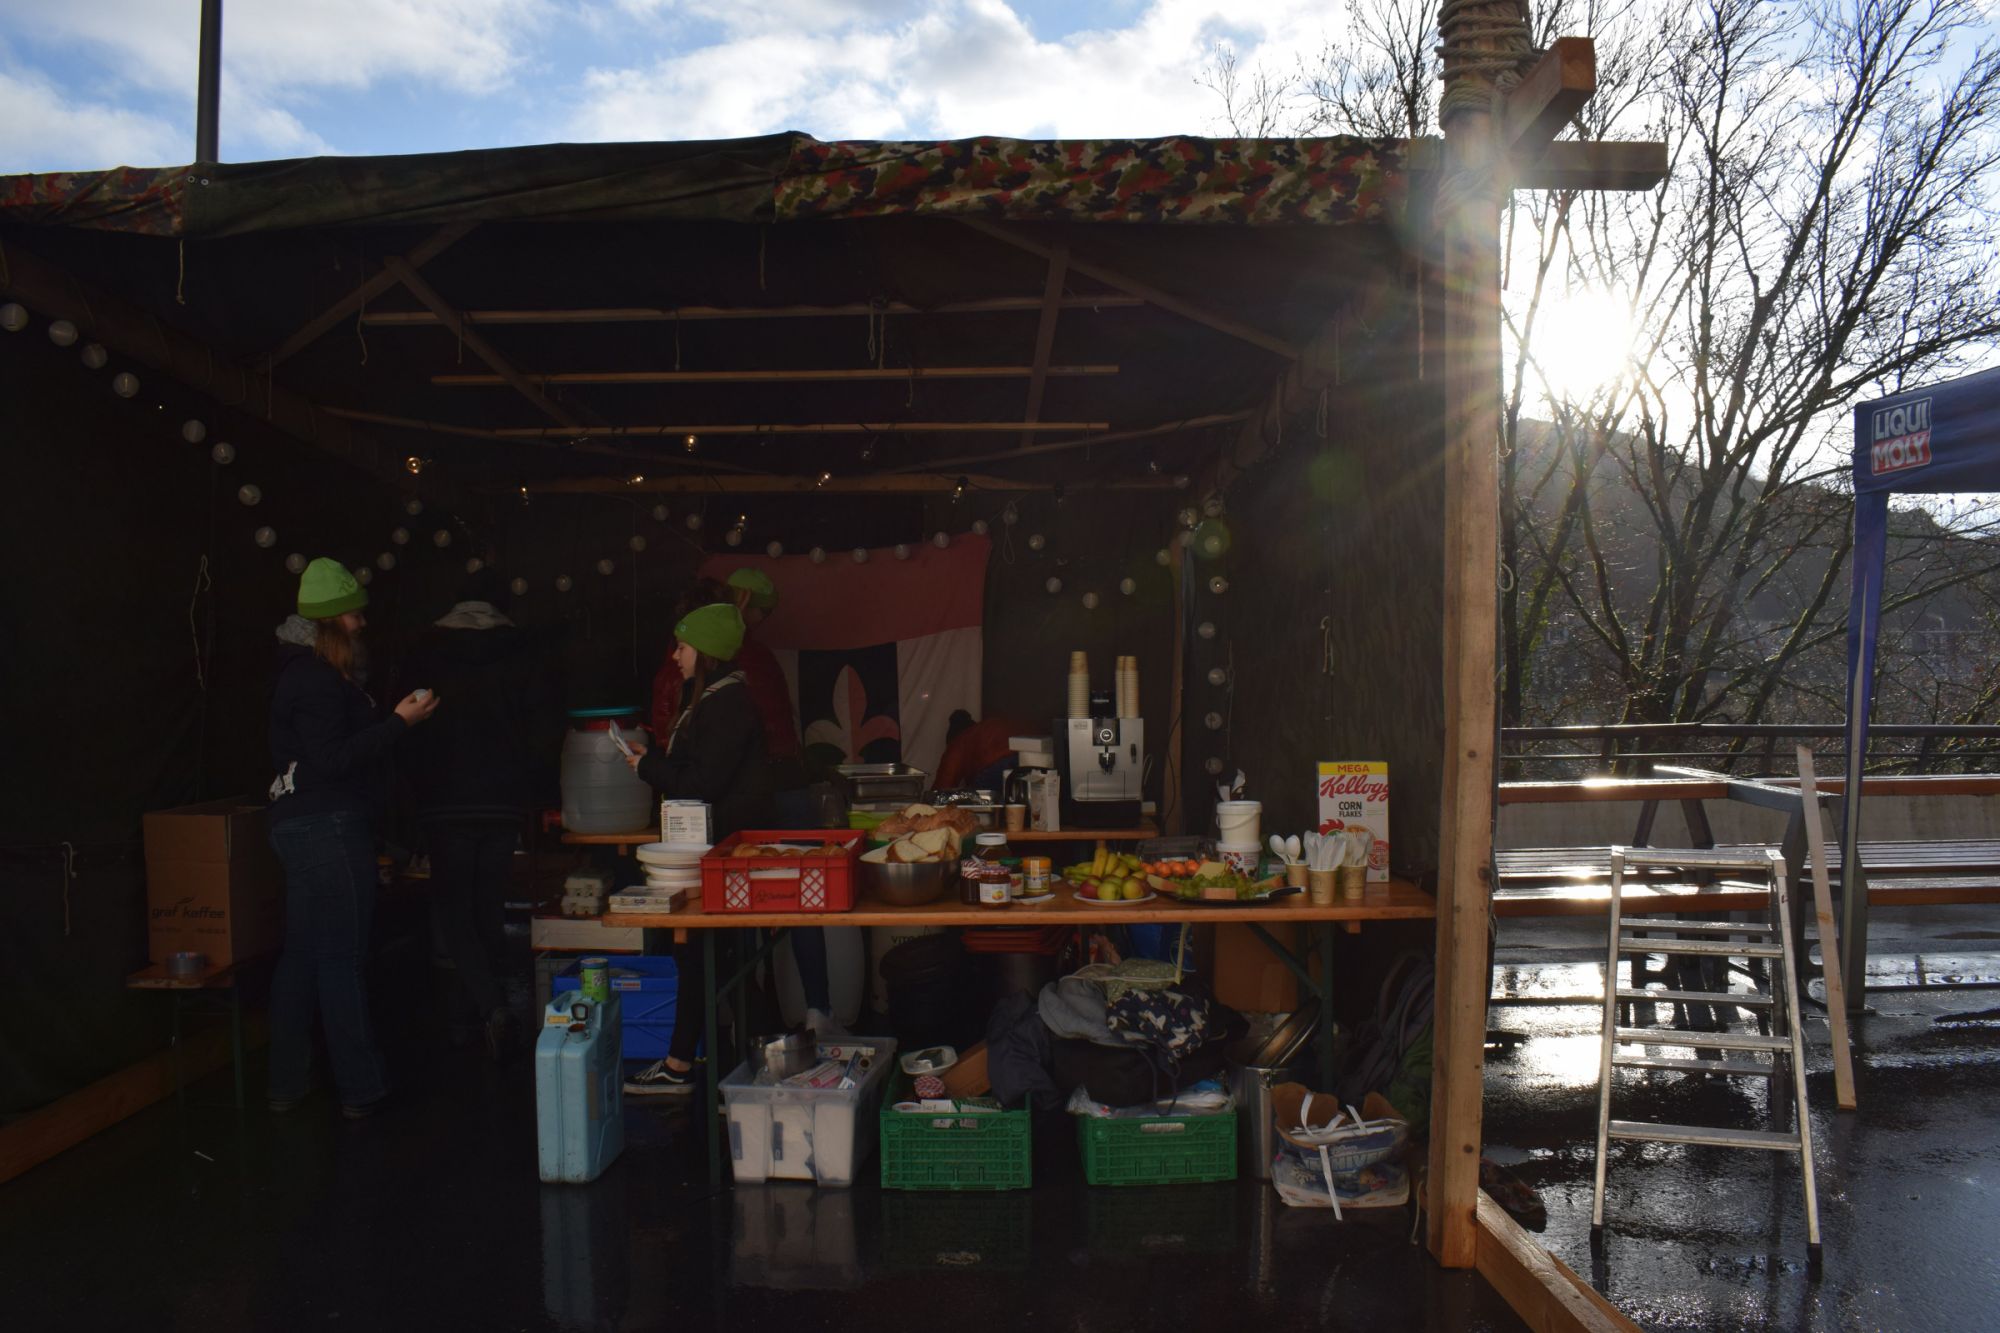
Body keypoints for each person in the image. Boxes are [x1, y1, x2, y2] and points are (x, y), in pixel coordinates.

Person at [266, 558, 439, 1117]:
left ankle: (287, 1083)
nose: (362, 624)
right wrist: (400, 722)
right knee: (341, 958)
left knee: (303, 956)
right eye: (354, 615)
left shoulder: (307, 674)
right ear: (330, 622)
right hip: (327, 827)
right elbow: (334, 759)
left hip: (300, 825)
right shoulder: (315, 680)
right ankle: (362, 1089)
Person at [396, 571, 556, 1060]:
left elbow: (404, 727)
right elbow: (542, 727)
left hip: (445, 798)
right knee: (488, 905)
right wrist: (530, 788)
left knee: (453, 908)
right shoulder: (521, 650)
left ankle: (486, 1008)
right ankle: (480, 1010)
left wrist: (412, 796)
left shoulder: (425, 652)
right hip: (502, 799)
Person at [621, 602, 774, 1095]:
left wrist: (649, 769)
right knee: (709, 957)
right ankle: (760, 1056)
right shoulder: (711, 696)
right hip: (709, 851)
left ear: (705, 651)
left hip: (722, 852)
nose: (675, 656)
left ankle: (695, 1063)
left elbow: (705, 781)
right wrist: (654, 760)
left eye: (683, 646)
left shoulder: (727, 703)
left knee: (707, 956)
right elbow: (698, 768)